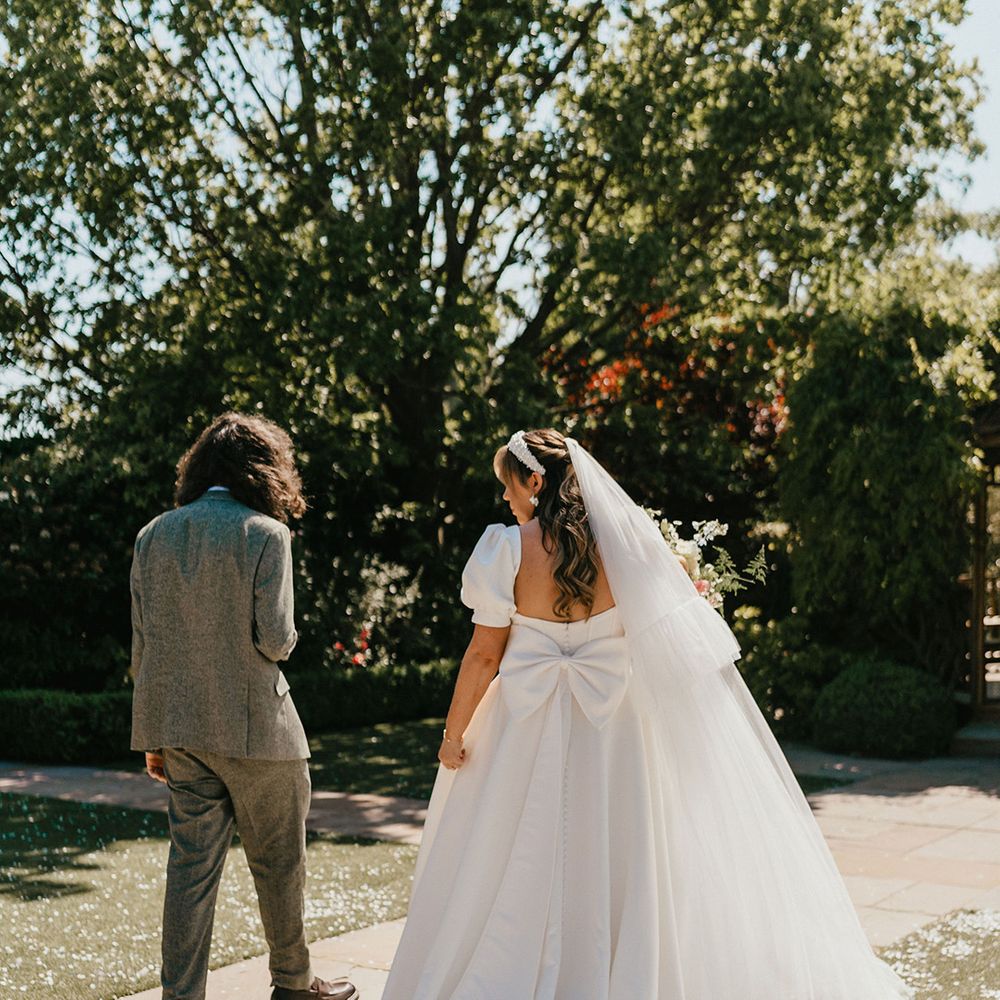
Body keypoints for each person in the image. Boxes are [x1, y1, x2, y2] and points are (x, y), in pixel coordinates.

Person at [382, 428, 912, 999]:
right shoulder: (625, 546)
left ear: (534, 481)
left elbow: (485, 654)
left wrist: (453, 734)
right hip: (616, 725)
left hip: (523, 724)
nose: (505, 498)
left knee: (512, 851)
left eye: (508, 485)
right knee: (619, 846)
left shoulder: (505, 550)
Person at [129, 412, 358, 1000]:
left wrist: (153, 738)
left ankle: (181, 995)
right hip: (261, 732)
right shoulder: (266, 533)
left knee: (189, 875)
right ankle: (294, 985)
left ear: (200, 467)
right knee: (280, 865)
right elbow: (275, 640)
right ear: (264, 469)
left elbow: (143, 646)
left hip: (181, 732)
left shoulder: (152, 536)